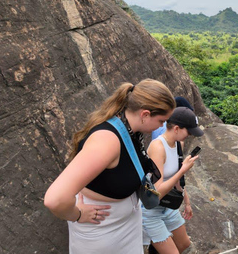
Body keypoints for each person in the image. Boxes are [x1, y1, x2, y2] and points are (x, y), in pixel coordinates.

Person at [44, 79, 197, 254]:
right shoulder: (107, 141)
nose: (163, 126)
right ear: (145, 114)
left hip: (125, 227)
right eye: (161, 120)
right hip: (102, 232)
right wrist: (77, 214)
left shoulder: (131, 131)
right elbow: (55, 199)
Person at [143, 106, 204, 254]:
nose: (189, 135)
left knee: (183, 244)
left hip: (167, 206)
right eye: (188, 131)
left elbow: (176, 179)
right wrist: (183, 169)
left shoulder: (177, 144)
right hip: (151, 210)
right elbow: (158, 190)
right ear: (176, 128)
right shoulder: (158, 147)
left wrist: (187, 202)